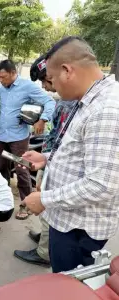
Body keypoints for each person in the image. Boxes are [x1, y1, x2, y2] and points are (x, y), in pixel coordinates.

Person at [23, 36, 119, 273]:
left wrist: (45, 199)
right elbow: (78, 150)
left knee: (69, 286)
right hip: (68, 219)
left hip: (79, 228)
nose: (52, 87)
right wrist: (46, 157)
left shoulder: (106, 109)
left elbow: (101, 184)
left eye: (52, 79)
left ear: (67, 71)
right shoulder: (89, 100)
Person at [13, 54, 77, 267]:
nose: (45, 87)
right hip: (49, 158)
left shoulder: (79, 104)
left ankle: (44, 253)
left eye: (45, 80)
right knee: (45, 202)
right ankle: (45, 239)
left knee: (50, 203)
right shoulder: (65, 101)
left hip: (59, 168)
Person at [0, 59, 55, 220]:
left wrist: (42, 119)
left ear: (13, 73)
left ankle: (26, 204)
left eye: (4, 77)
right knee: (2, 168)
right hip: (2, 136)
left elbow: (49, 101)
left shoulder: (27, 86)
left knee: (22, 170)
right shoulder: (2, 89)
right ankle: (3, 200)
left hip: (18, 138)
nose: (1, 81)